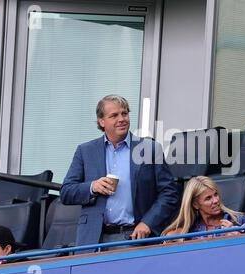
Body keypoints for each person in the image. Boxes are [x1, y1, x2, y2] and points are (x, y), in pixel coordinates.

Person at [61, 94, 179, 251]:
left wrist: (148, 222)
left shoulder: (150, 149)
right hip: (92, 241)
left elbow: (169, 192)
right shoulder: (85, 151)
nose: (122, 118)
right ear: (101, 121)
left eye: (124, 113)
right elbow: (66, 192)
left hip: (134, 238)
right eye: (114, 115)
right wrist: (92, 187)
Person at [161, 176, 245, 241]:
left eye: (216, 194)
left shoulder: (239, 220)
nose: (215, 200)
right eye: (208, 198)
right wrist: (174, 240)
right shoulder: (188, 232)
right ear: (195, 204)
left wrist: (239, 239)